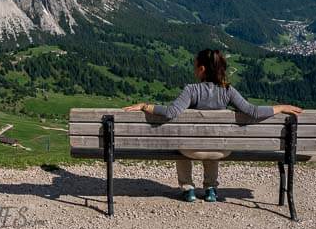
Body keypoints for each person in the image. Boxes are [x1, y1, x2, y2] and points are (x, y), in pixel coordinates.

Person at [123, 48, 302, 203]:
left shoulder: (191, 90)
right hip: (220, 150)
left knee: (179, 143)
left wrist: (145, 106)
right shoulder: (228, 91)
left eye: (195, 66)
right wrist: (281, 107)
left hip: (191, 150)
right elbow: (253, 111)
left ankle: (188, 189)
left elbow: (171, 112)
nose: (194, 70)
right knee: (215, 141)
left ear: (202, 69)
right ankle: (210, 189)